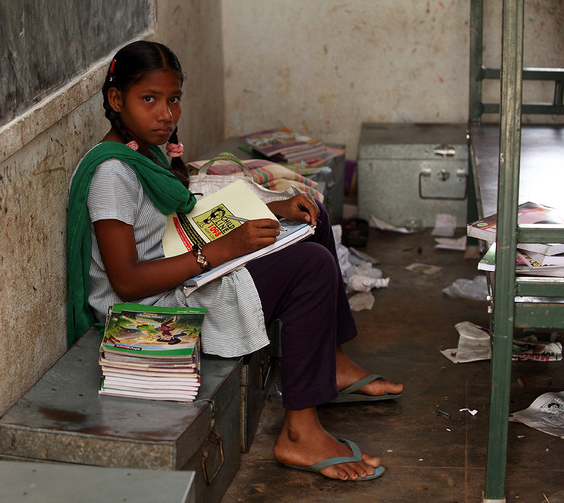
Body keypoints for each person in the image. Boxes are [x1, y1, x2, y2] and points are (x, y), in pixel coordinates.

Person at [67, 40, 403, 482]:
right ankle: (299, 433)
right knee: (312, 267)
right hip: (153, 309)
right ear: (116, 100)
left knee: (311, 219)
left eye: (173, 100)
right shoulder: (112, 174)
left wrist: (274, 211)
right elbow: (127, 283)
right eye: (148, 99)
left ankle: (333, 364)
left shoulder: (142, 150)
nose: (165, 113)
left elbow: (182, 213)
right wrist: (220, 252)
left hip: (179, 261)